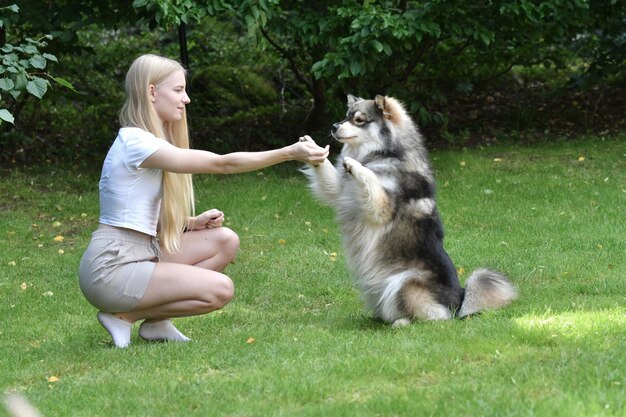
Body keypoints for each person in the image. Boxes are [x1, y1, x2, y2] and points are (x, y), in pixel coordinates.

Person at [79, 54, 329, 348]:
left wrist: (192, 224)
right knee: (220, 290)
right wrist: (288, 152)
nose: (186, 99)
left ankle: (156, 323)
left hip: (139, 253)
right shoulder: (135, 143)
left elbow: (135, 213)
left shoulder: (144, 143)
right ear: (151, 92)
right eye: (178, 90)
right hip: (112, 268)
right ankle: (123, 316)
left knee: (224, 241)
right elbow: (222, 164)